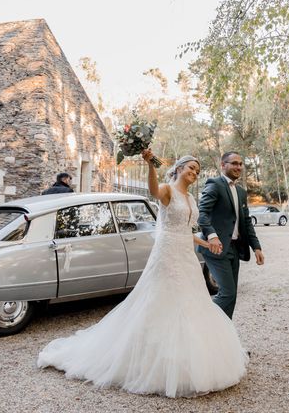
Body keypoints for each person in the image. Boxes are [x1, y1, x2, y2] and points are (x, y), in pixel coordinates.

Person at [37, 150, 248, 398]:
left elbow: (183, 230)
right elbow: (153, 191)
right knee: (162, 301)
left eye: (197, 171)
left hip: (186, 255)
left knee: (190, 302)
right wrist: (150, 165)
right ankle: (150, 361)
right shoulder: (168, 191)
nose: (194, 173)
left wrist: (206, 244)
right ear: (179, 168)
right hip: (167, 255)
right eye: (190, 168)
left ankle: (186, 357)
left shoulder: (190, 198)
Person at [197, 151, 264, 319]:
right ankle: (201, 323)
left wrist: (256, 247)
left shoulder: (241, 192)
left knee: (232, 296)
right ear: (223, 165)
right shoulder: (214, 184)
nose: (238, 167)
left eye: (240, 164)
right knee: (227, 293)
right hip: (215, 248)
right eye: (234, 163)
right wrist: (212, 235)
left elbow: (246, 221)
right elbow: (202, 214)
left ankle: (223, 336)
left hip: (234, 248)